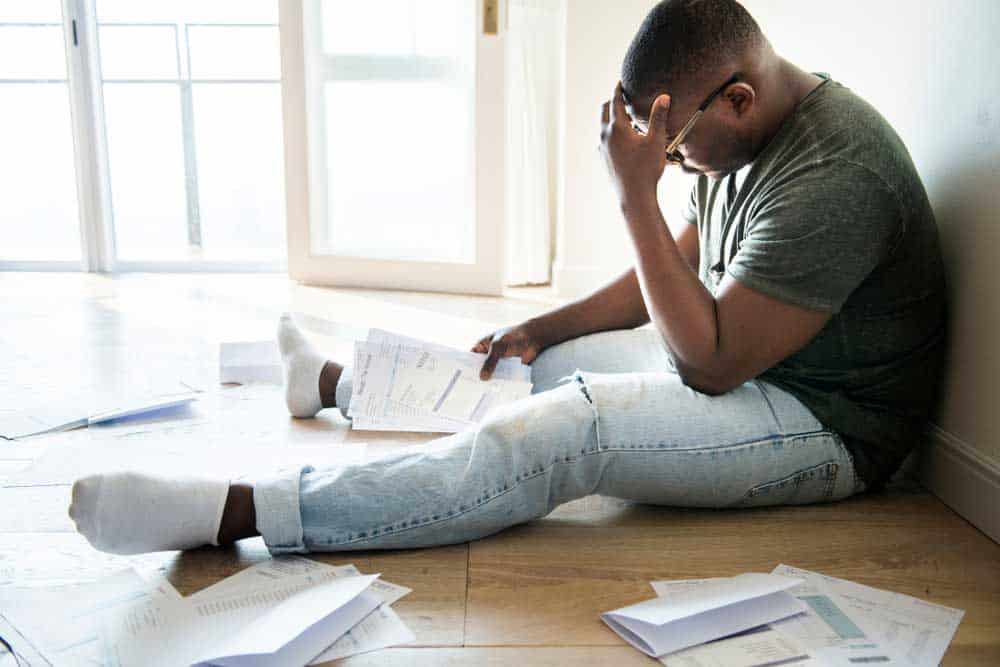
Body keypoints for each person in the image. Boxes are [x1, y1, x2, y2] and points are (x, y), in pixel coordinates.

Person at [68, 0, 945, 556]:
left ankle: (236, 514)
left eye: (675, 152)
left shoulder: (836, 173)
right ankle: (334, 382)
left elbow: (710, 363)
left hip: (826, 427)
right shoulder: (747, 140)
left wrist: (633, 196)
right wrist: (549, 326)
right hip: (754, 369)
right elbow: (674, 271)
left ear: (739, 99)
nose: (675, 170)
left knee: (567, 428)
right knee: (530, 369)